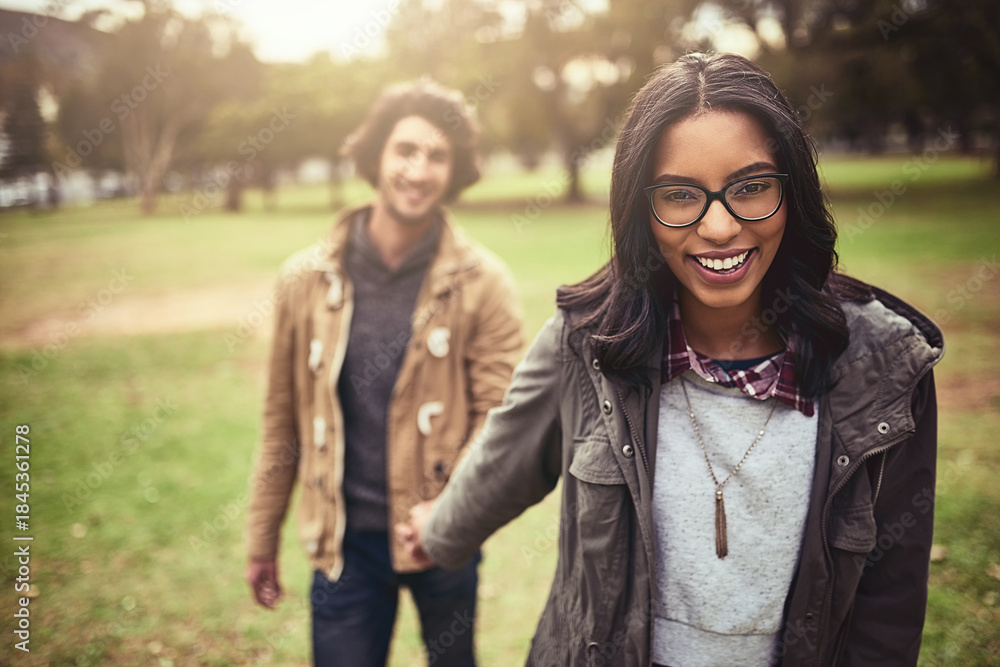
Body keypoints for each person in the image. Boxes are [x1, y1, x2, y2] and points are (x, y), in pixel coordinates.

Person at [397, 52, 943, 666]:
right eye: (681, 196)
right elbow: (507, 455)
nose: (717, 226)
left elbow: (890, 605)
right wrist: (437, 531)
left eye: (752, 187)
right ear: (639, 209)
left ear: (794, 193)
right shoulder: (587, 341)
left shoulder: (888, 366)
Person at [245, 79, 524, 666]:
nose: (418, 170)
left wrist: (445, 514)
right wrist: (261, 539)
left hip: (443, 538)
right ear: (376, 155)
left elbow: (501, 420)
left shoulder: (485, 283)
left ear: (455, 171)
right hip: (343, 544)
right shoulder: (304, 280)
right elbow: (281, 421)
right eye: (405, 150)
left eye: (437, 156)